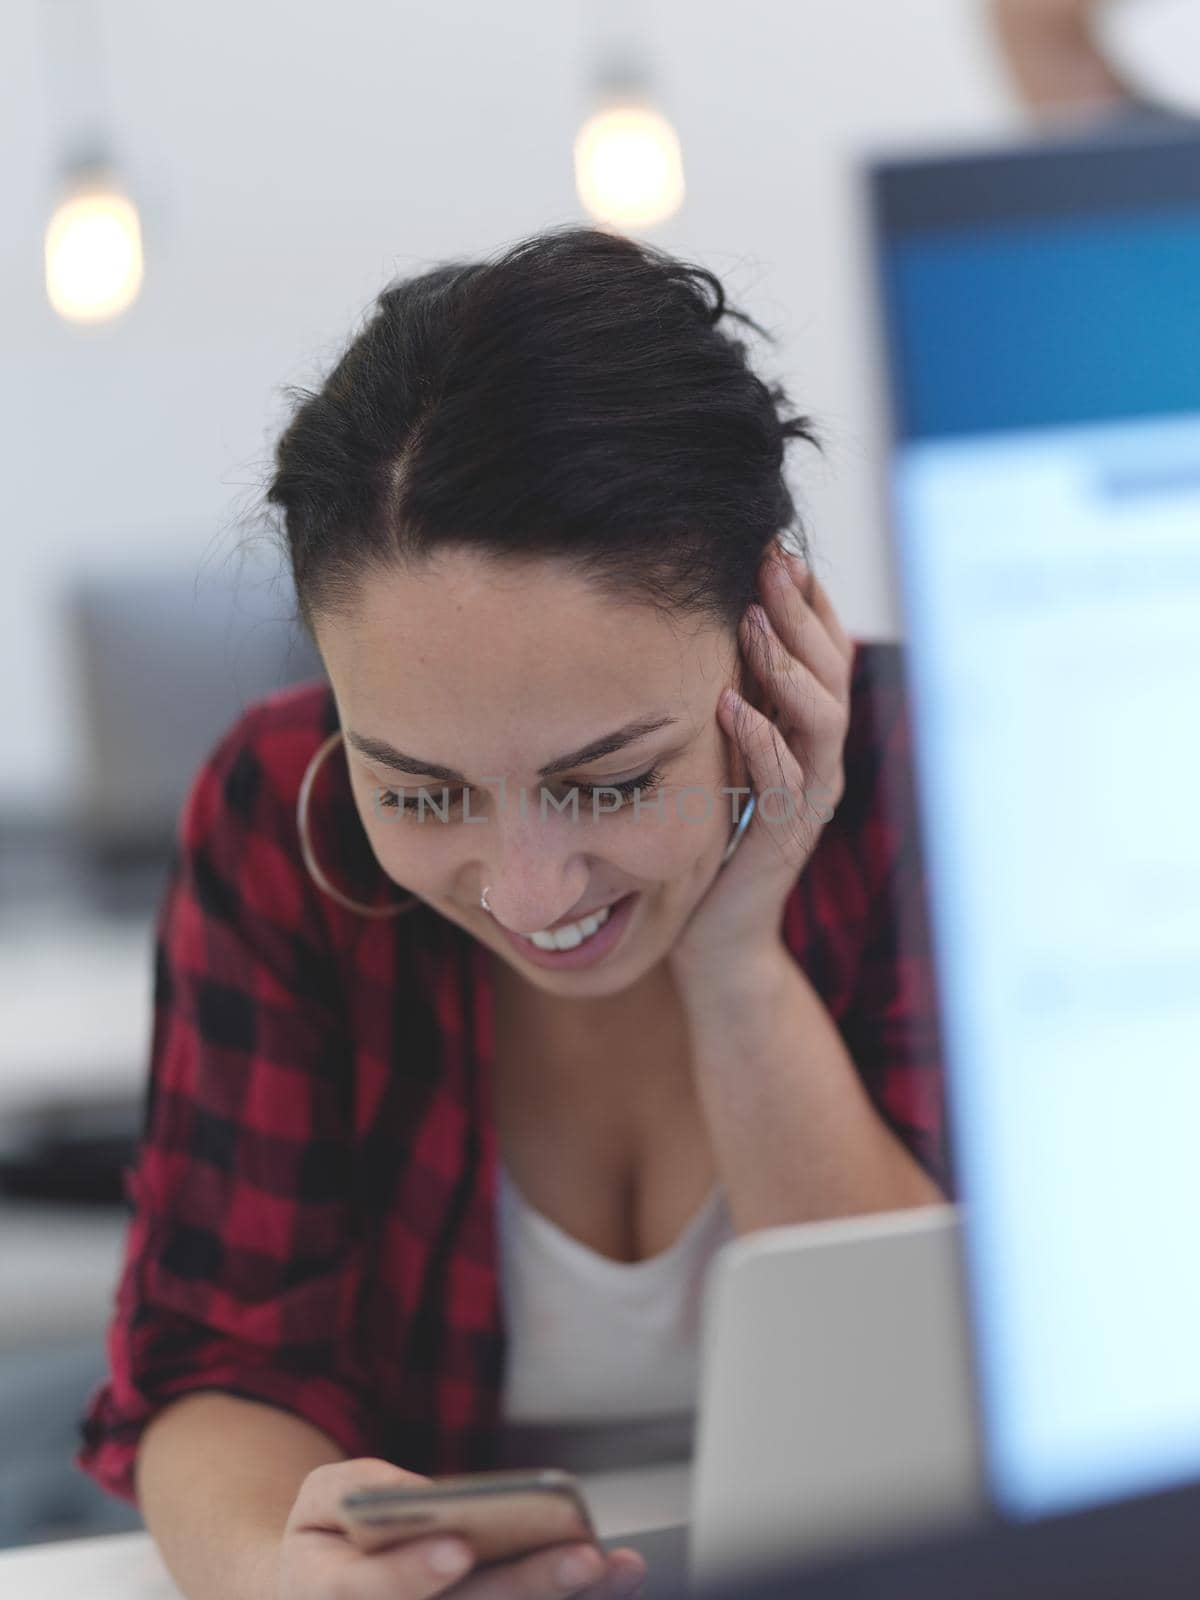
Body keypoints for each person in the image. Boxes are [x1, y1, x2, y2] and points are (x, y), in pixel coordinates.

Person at [77, 225, 949, 1600]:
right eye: (420, 795)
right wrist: (281, 1577)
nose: (529, 890)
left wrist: (740, 962)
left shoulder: (942, 778)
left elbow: (936, 1409)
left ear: (766, 637)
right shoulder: (273, 811)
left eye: (608, 783)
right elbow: (215, 1363)